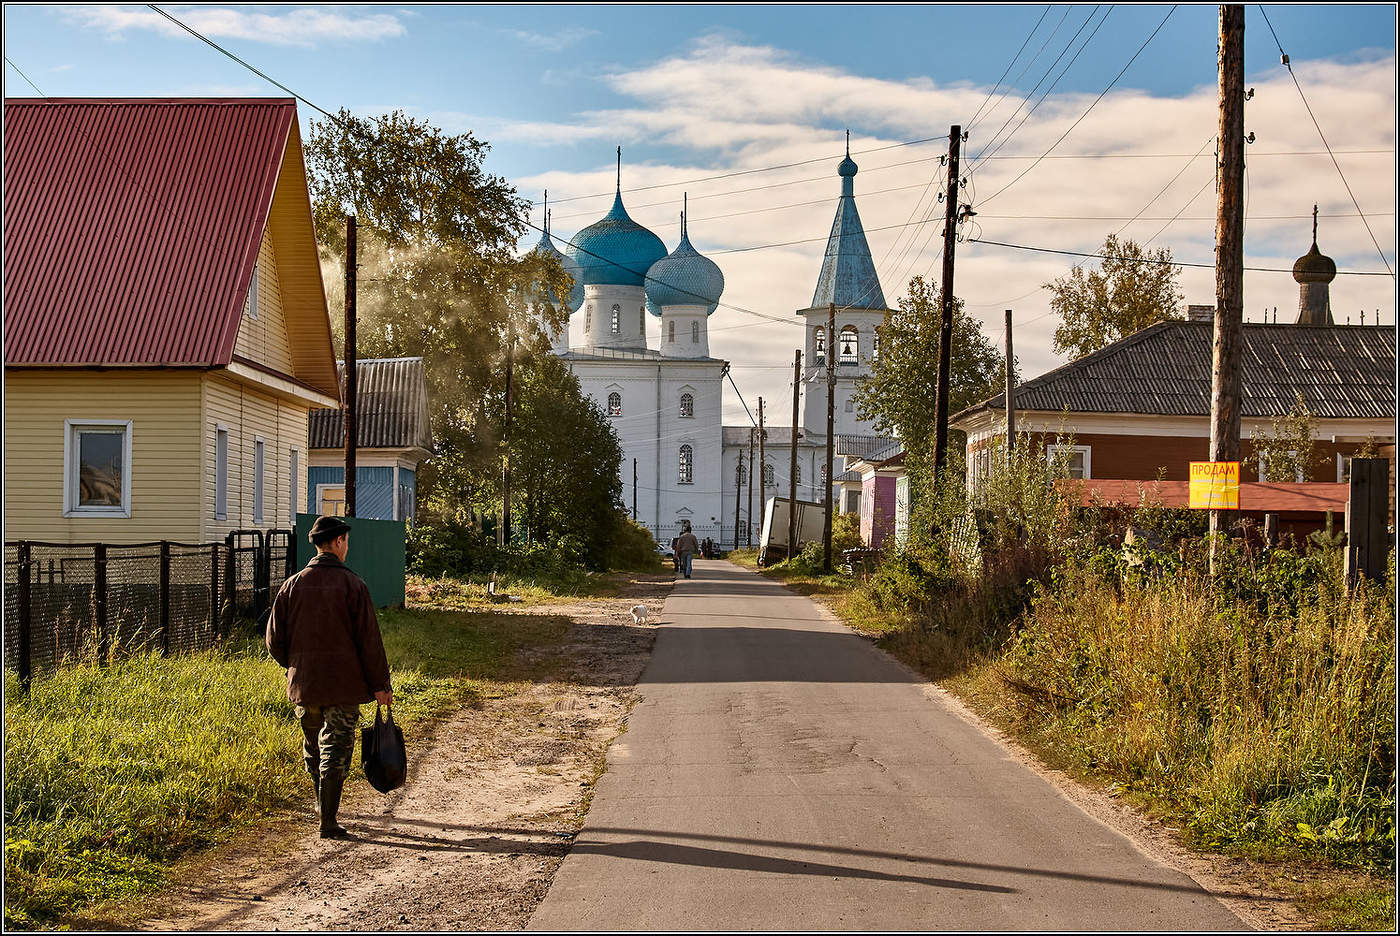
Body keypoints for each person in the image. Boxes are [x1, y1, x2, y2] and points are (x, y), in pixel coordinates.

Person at [266, 516, 393, 839]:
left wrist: (295, 666)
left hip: (305, 686)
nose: (346, 547)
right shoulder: (353, 585)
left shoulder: (291, 585)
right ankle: (329, 820)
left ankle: (322, 807)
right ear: (338, 542)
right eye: (345, 541)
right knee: (336, 750)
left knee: (313, 748)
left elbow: (274, 640)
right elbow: (369, 642)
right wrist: (380, 685)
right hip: (343, 687)